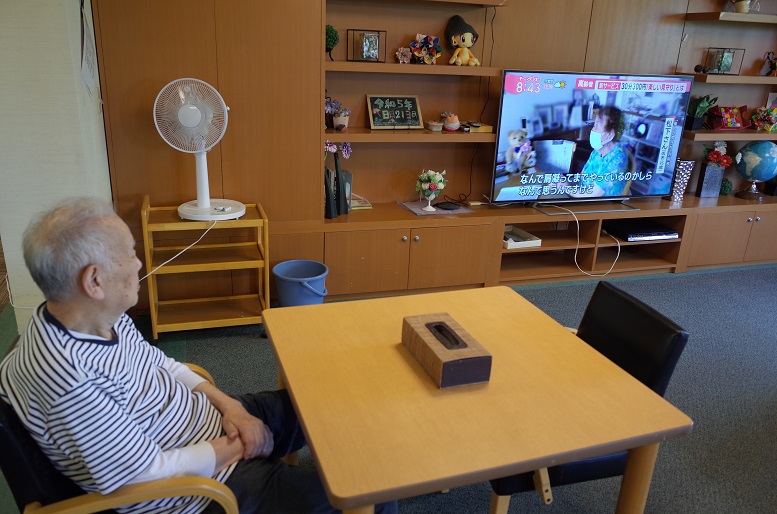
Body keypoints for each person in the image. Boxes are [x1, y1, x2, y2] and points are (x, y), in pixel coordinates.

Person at [0, 198, 397, 514]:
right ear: (94, 280)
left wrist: (234, 410)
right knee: (373, 497)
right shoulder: (68, 380)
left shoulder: (89, 315)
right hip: (196, 491)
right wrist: (239, 445)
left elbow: (162, 365)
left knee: (328, 401)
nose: (139, 263)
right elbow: (142, 474)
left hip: (208, 427)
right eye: (130, 253)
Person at [571, 105, 631, 198]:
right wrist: (562, 181)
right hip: (581, 195)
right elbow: (582, 178)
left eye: (597, 126)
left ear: (609, 134)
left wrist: (565, 187)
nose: (592, 130)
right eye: (594, 125)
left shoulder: (618, 160)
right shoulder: (598, 150)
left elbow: (592, 195)